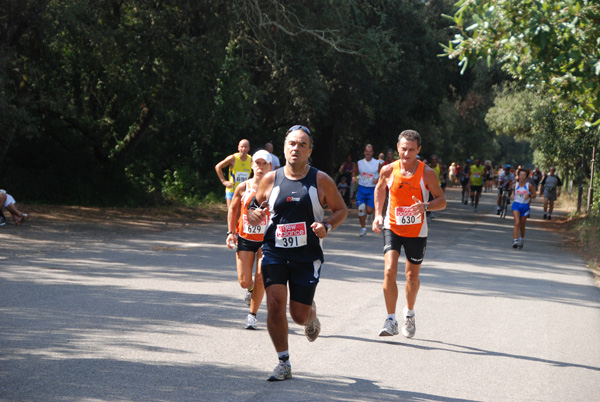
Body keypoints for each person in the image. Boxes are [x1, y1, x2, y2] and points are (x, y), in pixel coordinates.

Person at [247, 125, 348, 382]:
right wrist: (253, 213)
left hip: (307, 255)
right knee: (274, 303)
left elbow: (340, 210)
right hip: (274, 252)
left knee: (299, 315)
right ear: (284, 148)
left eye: (302, 144)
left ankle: (311, 314)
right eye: (292, 143)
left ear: (309, 151)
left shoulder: (320, 180)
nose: (296, 148)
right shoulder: (271, 179)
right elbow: (253, 206)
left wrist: (326, 226)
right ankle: (283, 361)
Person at [372, 130, 446, 339]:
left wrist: (426, 206)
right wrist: (378, 215)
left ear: (418, 150)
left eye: (411, 150)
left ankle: (409, 313)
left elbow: (442, 200)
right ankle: (390, 319)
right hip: (392, 226)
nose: (406, 154)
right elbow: (379, 190)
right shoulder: (388, 170)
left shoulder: (427, 173)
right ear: (398, 148)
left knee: (412, 276)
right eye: (403, 149)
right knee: (389, 270)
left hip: (417, 230)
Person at [226, 150, 272, 329]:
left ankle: (252, 315)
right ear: (252, 165)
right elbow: (233, 208)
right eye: (258, 163)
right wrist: (230, 232)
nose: (260, 167)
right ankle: (250, 289)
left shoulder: (274, 188)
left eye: (264, 164)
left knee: (261, 277)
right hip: (245, 237)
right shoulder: (243, 187)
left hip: (266, 240)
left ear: (270, 167)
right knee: (244, 281)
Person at [214, 139, 252, 208]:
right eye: (242, 147)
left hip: (243, 191)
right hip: (232, 190)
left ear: (249, 148)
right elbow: (218, 167)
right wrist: (224, 181)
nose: (243, 149)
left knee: (240, 215)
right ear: (238, 148)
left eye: (246, 147)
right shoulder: (233, 158)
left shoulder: (251, 160)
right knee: (231, 213)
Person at [353, 144, 380, 236]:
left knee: (368, 210)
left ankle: (370, 215)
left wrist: (378, 180)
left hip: (372, 189)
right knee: (361, 209)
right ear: (364, 152)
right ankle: (363, 228)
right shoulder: (360, 163)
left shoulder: (377, 163)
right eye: (366, 151)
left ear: (372, 153)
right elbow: (354, 172)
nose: (368, 153)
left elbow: (383, 174)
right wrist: (353, 177)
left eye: (370, 151)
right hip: (361, 188)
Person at [511, 168, 536, 248]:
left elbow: (534, 195)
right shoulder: (515, 185)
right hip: (516, 205)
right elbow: (513, 193)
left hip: (525, 206)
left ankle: (521, 239)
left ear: (526, 177)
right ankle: (515, 241)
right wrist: (512, 195)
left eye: (524, 175)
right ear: (518, 176)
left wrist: (529, 195)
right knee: (517, 223)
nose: (522, 177)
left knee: (522, 225)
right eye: (520, 175)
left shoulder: (529, 186)